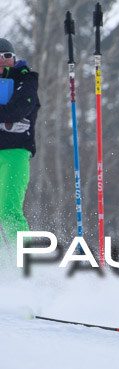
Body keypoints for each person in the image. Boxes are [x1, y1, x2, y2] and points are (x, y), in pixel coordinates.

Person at [0, 38, 40, 256]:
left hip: (15, 152)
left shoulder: (26, 80)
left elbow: (18, 111)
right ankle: (4, 271)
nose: (2, 61)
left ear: (14, 58)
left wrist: (10, 118)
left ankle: (24, 263)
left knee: (8, 210)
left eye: (7, 56)